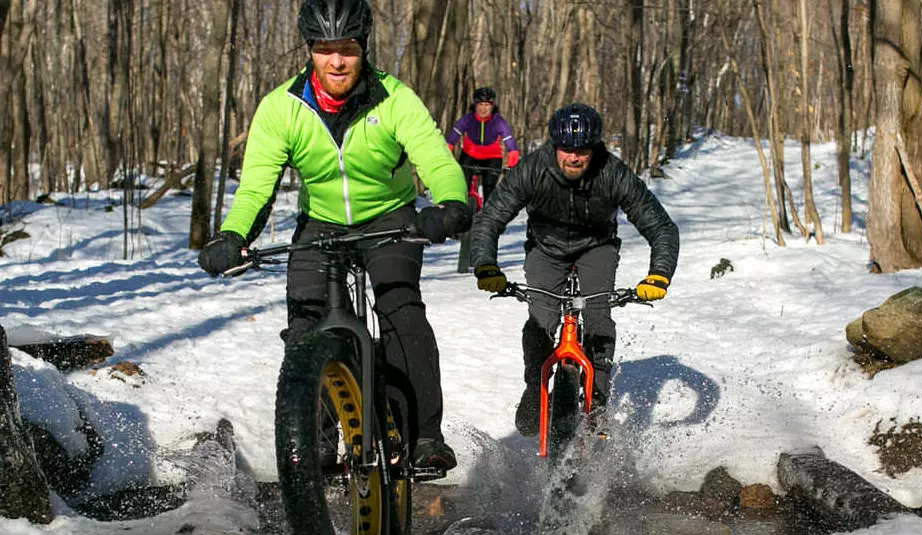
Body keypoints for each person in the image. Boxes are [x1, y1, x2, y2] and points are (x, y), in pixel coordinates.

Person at [196, 0, 468, 472]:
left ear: (363, 49)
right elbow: (256, 187)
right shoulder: (282, 108)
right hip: (320, 223)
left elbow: (436, 158)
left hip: (389, 219)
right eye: (325, 50)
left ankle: (424, 436)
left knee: (401, 310)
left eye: (346, 49)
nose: (336, 61)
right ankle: (313, 442)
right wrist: (232, 234)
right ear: (310, 51)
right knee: (306, 325)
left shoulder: (394, 98)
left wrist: (448, 204)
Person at [469, 103, 680, 437]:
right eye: (566, 150)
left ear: (594, 148)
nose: (573, 158)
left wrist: (659, 274)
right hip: (546, 249)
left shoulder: (612, 172)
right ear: (554, 146)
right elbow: (491, 218)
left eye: (582, 151)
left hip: (597, 247)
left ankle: (597, 400)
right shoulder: (533, 169)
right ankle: (533, 385)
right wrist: (485, 264)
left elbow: (661, 227)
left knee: (598, 316)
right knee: (542, 318)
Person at [445, 87, 521, 273]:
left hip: (491, 158)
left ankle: (490, 224)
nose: (484, 109)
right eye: (480, 105)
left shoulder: (498, 122)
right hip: (469, 156)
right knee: (461, 189)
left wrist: (512, 156)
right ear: (475, 105)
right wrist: (445, 152)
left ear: (492, 106)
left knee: (489, 193)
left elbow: (510, 142)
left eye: (487, 105)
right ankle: (458, 222)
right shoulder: (468, 119)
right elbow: (452, 137)